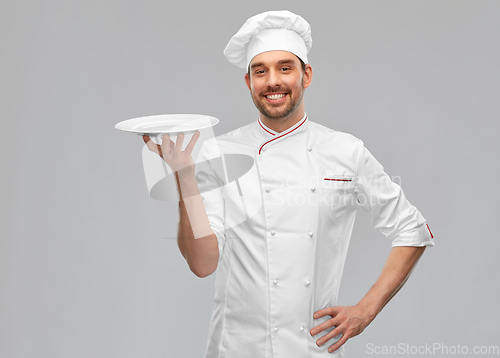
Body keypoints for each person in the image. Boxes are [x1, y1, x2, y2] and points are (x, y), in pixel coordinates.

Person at [143, 10, 435, 358]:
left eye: (285, 67)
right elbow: (203, 264)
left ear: (306, 75)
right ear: (249, 82)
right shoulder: (219, 152)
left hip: (310, 349)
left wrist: (366, 310)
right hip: (235, 348)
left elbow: (413, 230)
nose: (272, 81)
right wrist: (185, 181)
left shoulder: (345, 151)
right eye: (260, 71)